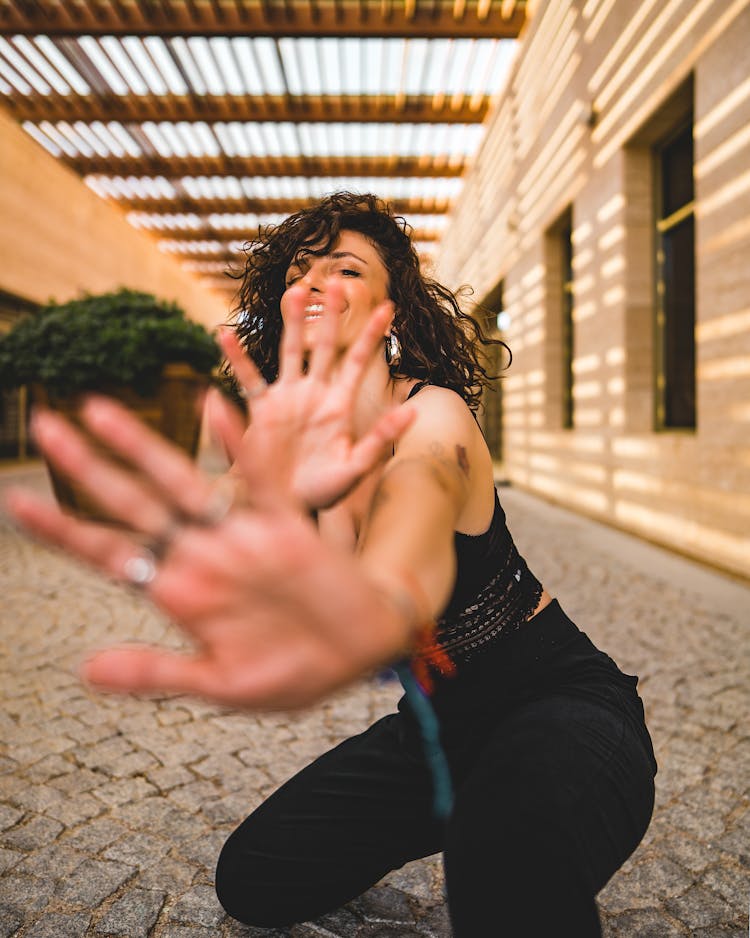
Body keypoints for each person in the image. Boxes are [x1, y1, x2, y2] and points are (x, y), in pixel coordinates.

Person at [6, 192, 657, 937]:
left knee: (502, 870)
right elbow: (218, 516)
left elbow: (419, 499)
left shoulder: (431, 415)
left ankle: (510, 817)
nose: (312, 282)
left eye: (345, 268)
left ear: (397, 314)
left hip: (562, 707)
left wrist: (370, 605)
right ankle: (482, 802)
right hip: (435, 735)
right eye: (299, 269)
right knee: (254, 879)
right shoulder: (281, 444)